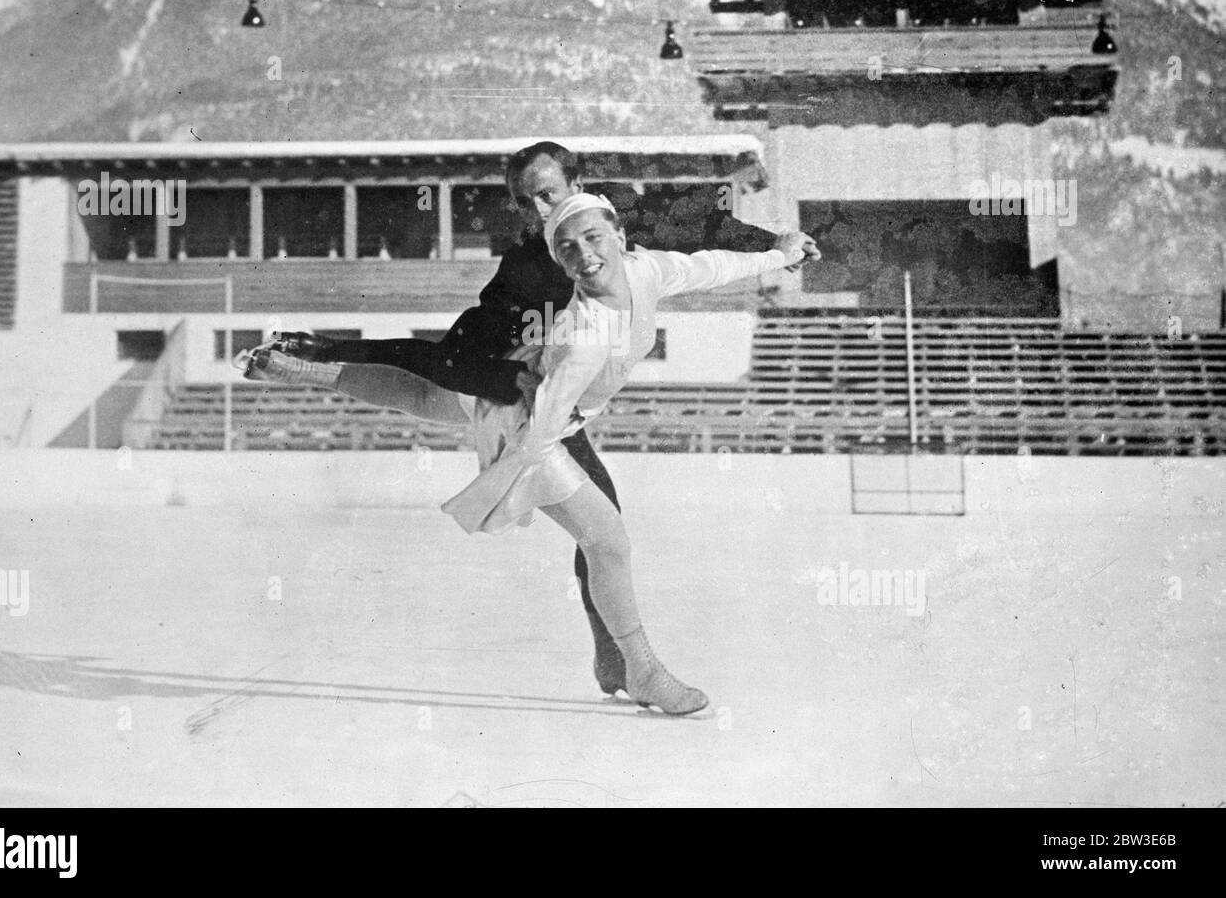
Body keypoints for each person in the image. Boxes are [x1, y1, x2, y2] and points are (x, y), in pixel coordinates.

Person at [243, 193, 819, 714]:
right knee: (606, 539)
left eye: (594, 238)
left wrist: (780, 254)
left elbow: (712, 265)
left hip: (524, 399)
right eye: (567, 249)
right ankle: (642, 671)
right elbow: (546, 422)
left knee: (425, 394)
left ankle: (300, 369)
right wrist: (505, 480)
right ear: (560, 263)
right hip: (530, 422)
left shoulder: (648, 270)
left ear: (621, 236)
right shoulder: (585, 329)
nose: (584, 255)